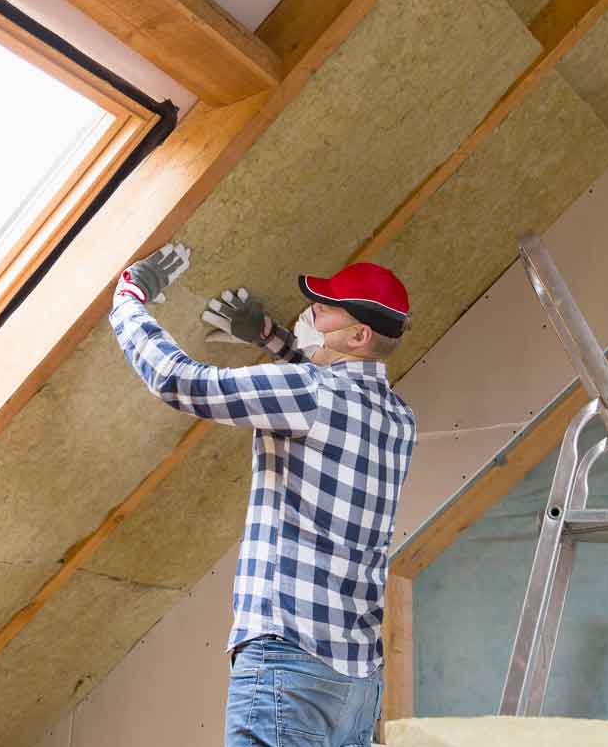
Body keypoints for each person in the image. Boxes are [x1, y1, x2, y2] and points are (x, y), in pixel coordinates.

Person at [109, 243, 417, 747]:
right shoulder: (401, 421)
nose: (311, 313)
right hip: (356, 682)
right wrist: (273, 340)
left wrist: (128, 301)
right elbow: (330, 397)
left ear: (359, 334)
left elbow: (177, 381)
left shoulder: (309, 393)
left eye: (324, 308)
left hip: (287, 662)